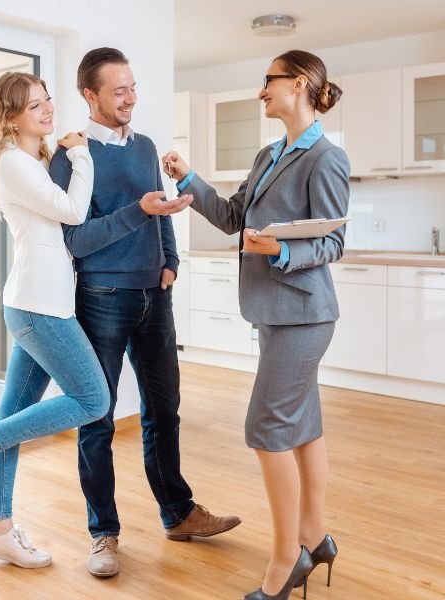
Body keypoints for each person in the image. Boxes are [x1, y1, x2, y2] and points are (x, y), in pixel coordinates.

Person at [163, 50, 349, 600]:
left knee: (266, 430)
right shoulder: (269, 153)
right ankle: (315, 538)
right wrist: (188, 178)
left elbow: (335, 242)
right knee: (302, 426)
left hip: (305, 314)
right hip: (275, 313)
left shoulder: (325, 158)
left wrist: (281, 253)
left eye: (268, 81)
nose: (260, 91)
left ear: (297, 85)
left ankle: (286, 557)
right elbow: (232, 217)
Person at [49, 47, 241, 578]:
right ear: (90, 96)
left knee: (165, 412)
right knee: (97, 417)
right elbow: (77, 241)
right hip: (102, 297)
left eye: (132, 87)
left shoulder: (147, 146)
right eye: (118, 90)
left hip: (155, 297)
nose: (130, 97)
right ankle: (103, 533)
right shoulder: (71, 156)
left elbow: (160, 208)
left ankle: (178, 513)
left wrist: (171, 262)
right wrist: (140, 212)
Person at [0, 71, 110, 569]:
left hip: (39, 303)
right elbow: (72, 211)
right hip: (39, 308)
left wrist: (63, 153)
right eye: (34, 106)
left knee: (13, 416)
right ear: (12, 116)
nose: (47, 110)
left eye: (47, 101)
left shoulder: (32, 159)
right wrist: (82, 153)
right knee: (93, 398)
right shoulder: (16, 163)